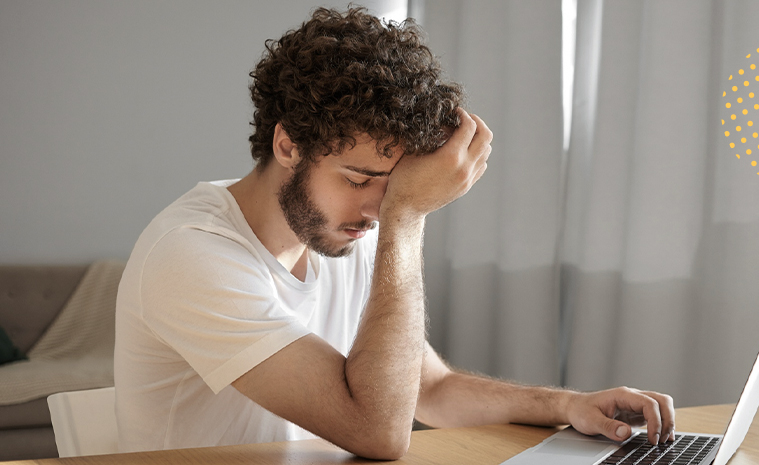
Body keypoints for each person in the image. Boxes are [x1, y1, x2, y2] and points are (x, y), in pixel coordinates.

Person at [114, 7, 675, 460]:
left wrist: (570, 406)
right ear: (288, 146)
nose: (377, 208)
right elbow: (376, 431)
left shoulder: (339, 231)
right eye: (360, 178)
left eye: (395, 187)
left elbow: (429, 389)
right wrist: (408, 217)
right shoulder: (189, 254)